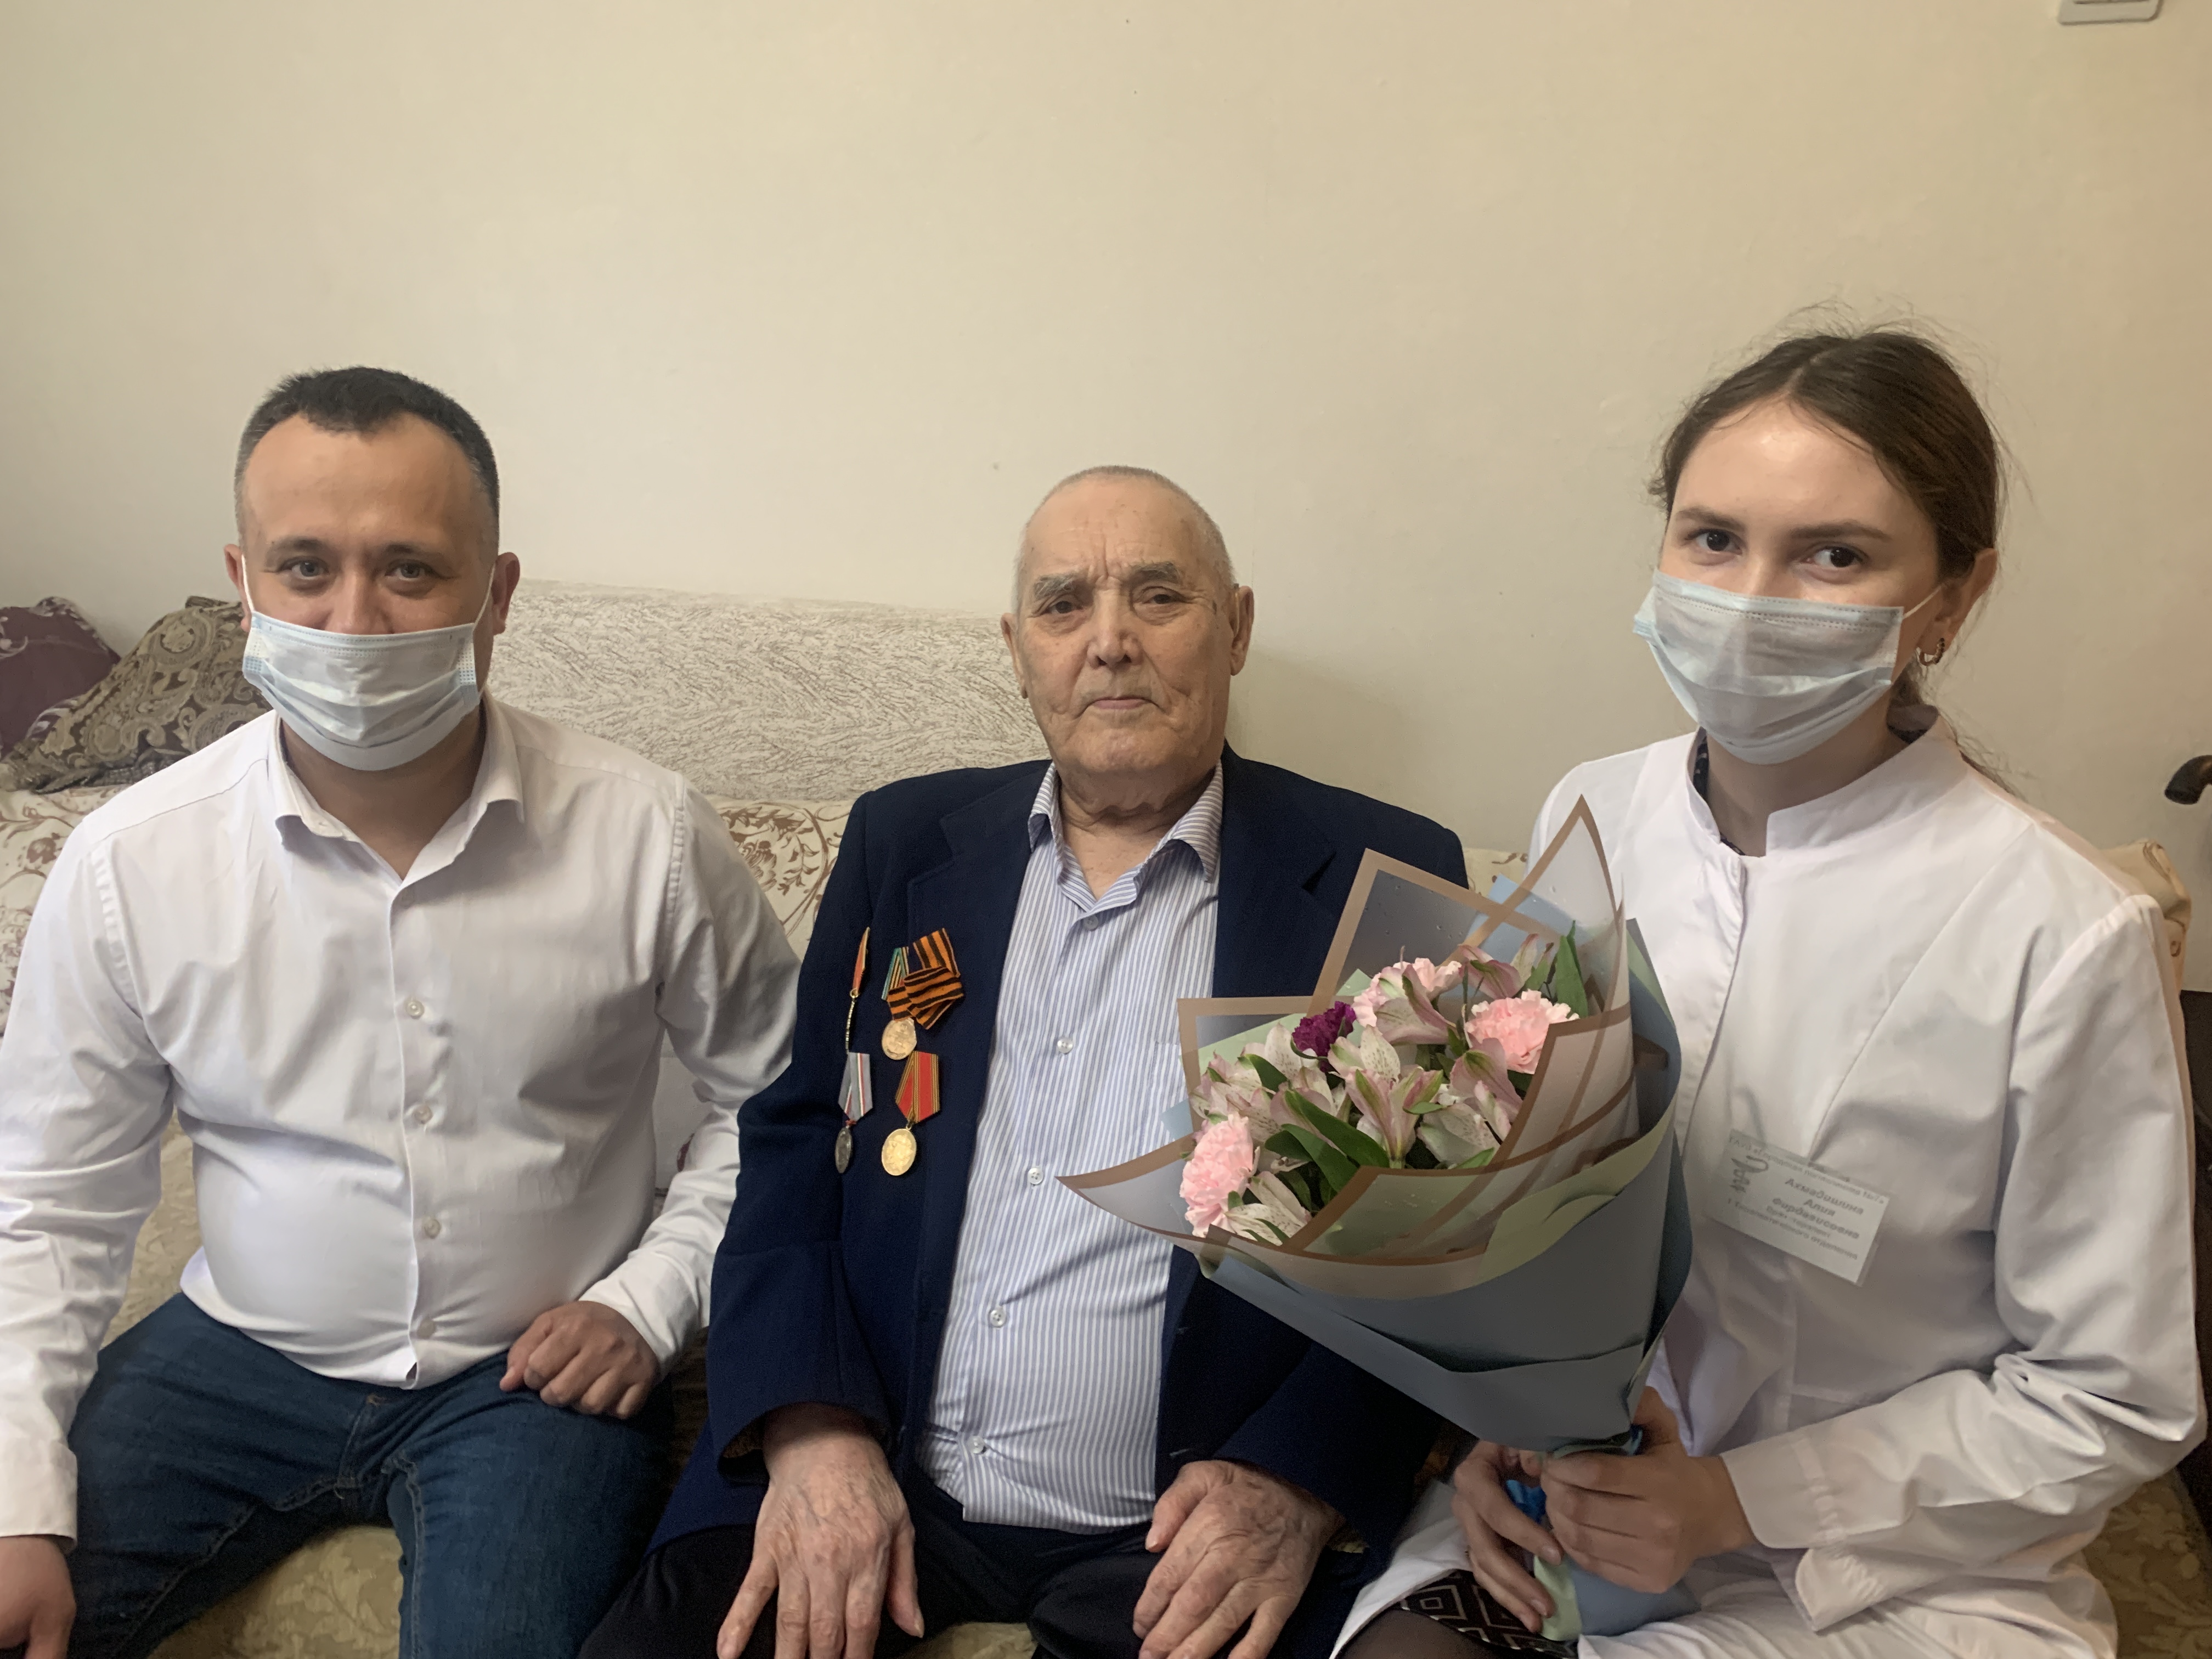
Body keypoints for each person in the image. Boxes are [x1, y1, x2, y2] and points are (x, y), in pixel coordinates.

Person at [1342, 330, 2202, 1659]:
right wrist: (1502, 1424)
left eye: (1834, 556)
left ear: (1955, 599)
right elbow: (1507, 1180)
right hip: (1574, 1504)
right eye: (1713, 539)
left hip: (1894, 1572)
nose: (1751, 602)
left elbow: (2110, 1396)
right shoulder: (1593, 815)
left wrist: (1735, 1503)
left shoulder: (2065, 933)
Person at [584, 466, 1463, 1659]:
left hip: (1189, 1524)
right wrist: (811, 1427)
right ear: (1018, 649)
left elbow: (1434, 1240)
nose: (1110, 641)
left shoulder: (1378, 874)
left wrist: (1295, 1478)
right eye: (1064, 605)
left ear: (1236, 627)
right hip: (869, 1460)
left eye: (1159, 595)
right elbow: (791, 1134)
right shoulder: (903, 842)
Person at [0, 368, 800, 1659]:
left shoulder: (645, 836)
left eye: (411, 571)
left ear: (499, 594)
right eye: (305, 568)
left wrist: (648, 1304)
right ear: (243, 581)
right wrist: (16, 1500)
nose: (355, 622)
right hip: (233, 1354)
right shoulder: (128, 863)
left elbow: (778, 1106)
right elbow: (48, 1196)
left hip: (530, 1377)